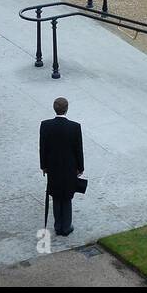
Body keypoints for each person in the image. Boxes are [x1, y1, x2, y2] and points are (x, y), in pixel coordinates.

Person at [39, 97, 84, 238]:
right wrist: (80, 167)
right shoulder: (75, 127)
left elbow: (43, 148)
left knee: (56, 195)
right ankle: (66, 226)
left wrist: (44, 166)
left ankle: (58, 225)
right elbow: (78, 150)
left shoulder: (45, 125)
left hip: (53, 167)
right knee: (67, 196)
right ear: (67, 109)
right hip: (69, 168)